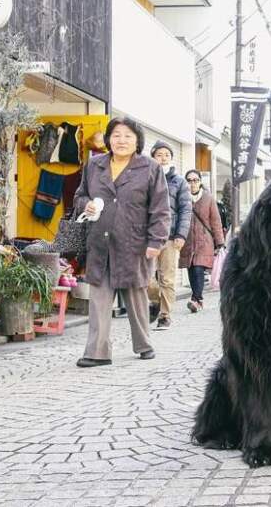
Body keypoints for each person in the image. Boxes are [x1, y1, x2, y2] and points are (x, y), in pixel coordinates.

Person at [74, 117, 171, 367]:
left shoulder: (150, 167)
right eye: (116, 135)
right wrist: (87, 204)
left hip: (134, 244)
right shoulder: (95, 165)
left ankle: (143, 344)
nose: (121, 140)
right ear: (108, 139)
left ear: (137, 140)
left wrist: (156, 240)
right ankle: (97, 352)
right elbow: (80, 196)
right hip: (100, 242)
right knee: (99, 300)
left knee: (136, 299)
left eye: (128, 136)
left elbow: (160, 209)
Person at [148, 140, 191, 330]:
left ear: (171, 158)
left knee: (167, 278)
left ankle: (165, 315)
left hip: (171, 237)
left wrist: (181, 234)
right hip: (148, 237)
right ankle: (155, 302)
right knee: (147, 278)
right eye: (159, 154)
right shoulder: (146, 178)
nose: (163, 158)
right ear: (153, 157)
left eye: (167, 154)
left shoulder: (179, 181)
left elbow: (186, 209)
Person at [179, 170, 225, 313]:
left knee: (198, 268)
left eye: (195, 180)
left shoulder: (208, 198)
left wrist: (220, 243)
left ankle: (196, 299)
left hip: (204, 241)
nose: (192, 183)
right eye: (189, 180)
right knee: (191, 270)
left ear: (200, 182)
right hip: (187, 241)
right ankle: (197, 298)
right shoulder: (182, 198)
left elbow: (215, 221)